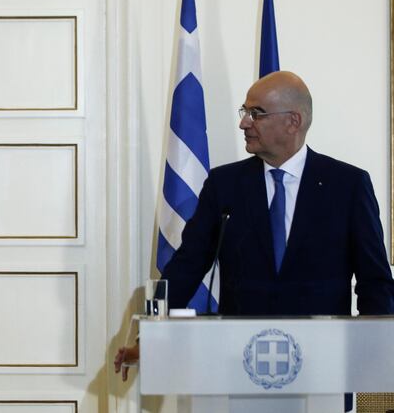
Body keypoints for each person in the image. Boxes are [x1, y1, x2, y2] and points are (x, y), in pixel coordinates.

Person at [115, 71, 394, 380]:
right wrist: (149, 340)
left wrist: (375, 348)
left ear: (293, 121)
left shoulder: (348, 185)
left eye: (256, 113)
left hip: (322, 366)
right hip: (239, 364)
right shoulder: (225, 185)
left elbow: (374, 280)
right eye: (245, 111)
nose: (244, 122)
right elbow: (187, 266)